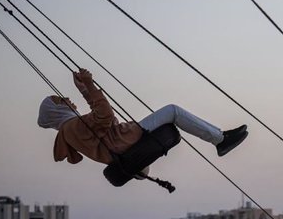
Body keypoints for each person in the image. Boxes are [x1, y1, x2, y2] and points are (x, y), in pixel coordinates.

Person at [37, 68, 247, 169]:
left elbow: (98, 124)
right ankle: (220, 140)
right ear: (55, 110)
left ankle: (220, 138)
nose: (66, 98)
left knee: (171, 115)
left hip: (119, 145)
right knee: (172, 110)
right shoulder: (72, 126)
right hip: (123, 139)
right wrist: (90, 86)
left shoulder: (70, 131)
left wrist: (84, 89)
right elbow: (104, 115)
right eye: (59, 100)